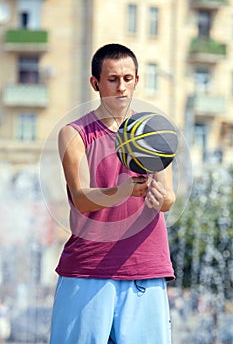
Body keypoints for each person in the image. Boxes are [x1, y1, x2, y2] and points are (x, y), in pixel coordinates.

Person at [49, 43, 176, 344]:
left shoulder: (153, 131)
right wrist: (121, 191)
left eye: (128, 79)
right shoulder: (74, 132)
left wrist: (161, 199)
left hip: (145, 266)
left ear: (137, 80)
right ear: (95, 83)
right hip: (88, 270)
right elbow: (80, 197)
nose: (122, 87)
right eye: (112, 79)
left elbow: (169, 198)